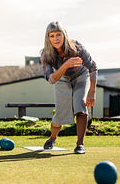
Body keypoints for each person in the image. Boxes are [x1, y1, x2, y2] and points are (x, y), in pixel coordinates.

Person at [41, 21, 97, 154]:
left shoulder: (76, 47)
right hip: (61, 78)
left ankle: (80, 144)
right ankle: (52, 138)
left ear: (64, 35)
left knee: (80, 105)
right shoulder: (46, 54)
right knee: (60, 113)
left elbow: (93, 67)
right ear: (48, 38)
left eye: (58, 34)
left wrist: (92, 92)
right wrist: (65, 65)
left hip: (80, 76)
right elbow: (51, 80)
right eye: (52, 35)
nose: (56, 39)